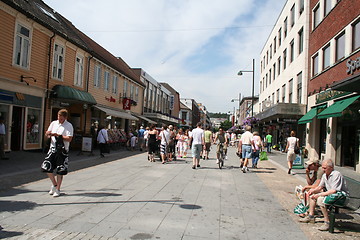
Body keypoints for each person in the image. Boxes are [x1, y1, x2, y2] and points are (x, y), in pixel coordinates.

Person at [299, 159, 349, 231]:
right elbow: (320, 186)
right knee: (313, 195)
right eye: (322, 167)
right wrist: (313, 191)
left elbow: (334, 190)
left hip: (341, 197)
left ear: (331, 168)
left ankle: (327, 222)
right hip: (332, 195)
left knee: (320, 199)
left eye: (325, 168)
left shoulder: (336, 174)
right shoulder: (325, 175)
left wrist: (320, 194)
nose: (323, 169)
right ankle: (311, 216)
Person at [41, 109, 73, 197]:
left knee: (60, 170)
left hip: (62, 150)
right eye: (59, 118)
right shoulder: (54, 123)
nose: (60, 120)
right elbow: (47, 133)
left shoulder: (69, 125)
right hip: (52, 149)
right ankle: (54, 184)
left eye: (62, 119)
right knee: (46, 167)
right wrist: (48, 133)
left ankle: (58, 189)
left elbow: (69, 138)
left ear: (65, 118)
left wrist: (59, 136)